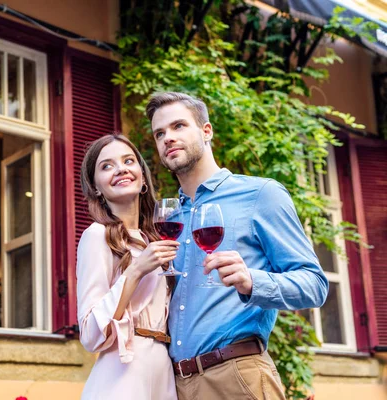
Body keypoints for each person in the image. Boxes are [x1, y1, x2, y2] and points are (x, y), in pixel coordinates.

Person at [146, 92, 329, 400]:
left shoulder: (261, 195)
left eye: (179, 126)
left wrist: (251, 280)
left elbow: (314, 285)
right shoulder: (170, 219)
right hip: (174, 385)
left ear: (206, 131)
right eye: (159, 133)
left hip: (236, 376)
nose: (168, 138)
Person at [76, 133, 179, 400]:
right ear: (96, 186)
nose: (120, 169)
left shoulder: (155, 239)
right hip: (122, 374)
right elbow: (89, 334)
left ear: (143, 177)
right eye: (106, 166)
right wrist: (135, 270)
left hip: (164, 371)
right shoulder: (97, 235)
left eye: (128, 161)